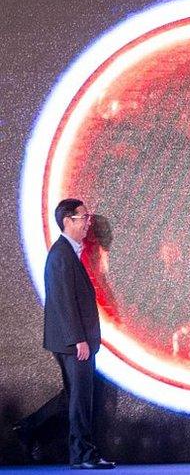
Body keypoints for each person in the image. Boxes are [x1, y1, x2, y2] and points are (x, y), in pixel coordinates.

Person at [14, 199, 115, 469]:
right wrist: (78, 339)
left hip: (74, 340)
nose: (88, 223)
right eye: (83, 218)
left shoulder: (68, 252)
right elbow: (63, 301)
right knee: (81, 400)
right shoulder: (61, 255)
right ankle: (83, 455)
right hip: (73, 342)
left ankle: (30, 430)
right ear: (68, 221)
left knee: (74, 397)